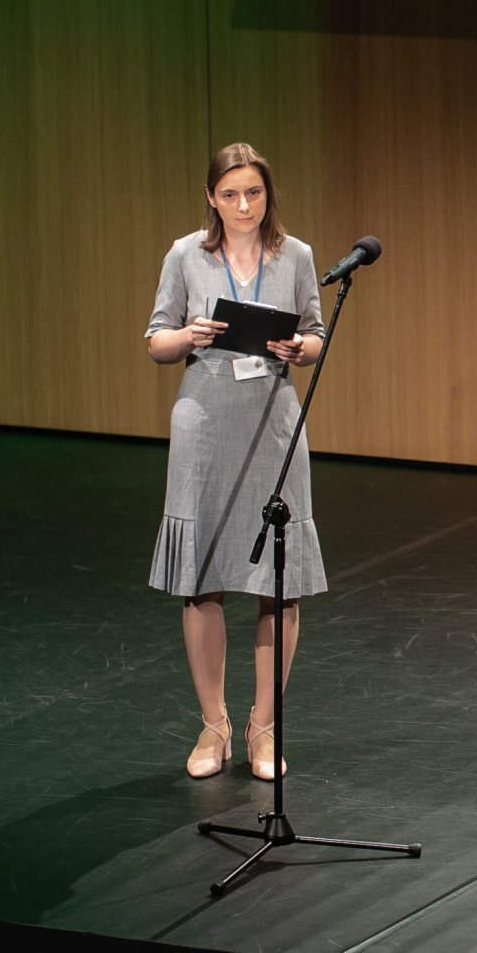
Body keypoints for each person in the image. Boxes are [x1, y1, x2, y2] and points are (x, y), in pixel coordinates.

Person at [145, 143, 327, 781]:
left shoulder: (296, 256)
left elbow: (315, 334)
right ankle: (214, 724)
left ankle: (263, 726)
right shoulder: (185, 254)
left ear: (267, 194)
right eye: (230, 195)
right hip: (205, 423)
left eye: (253, 193)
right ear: (211, 198)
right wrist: (188, 335)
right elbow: (156, 340)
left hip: (272, 427)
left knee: (279, 582)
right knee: (203, 578)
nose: (243, 206)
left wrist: (298, 346)